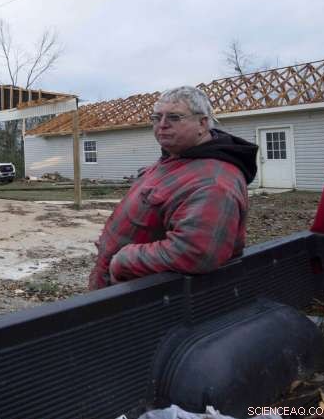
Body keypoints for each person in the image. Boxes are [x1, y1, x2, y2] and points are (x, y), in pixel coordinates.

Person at [87, 86, 257, 290]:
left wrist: (123, 260)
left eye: (174, 117)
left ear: (202, 123)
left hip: (144, 298)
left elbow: (196, 253)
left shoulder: (213, 182)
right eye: (156, 117)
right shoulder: (176, 159)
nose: (162, 124)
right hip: (118, 287)